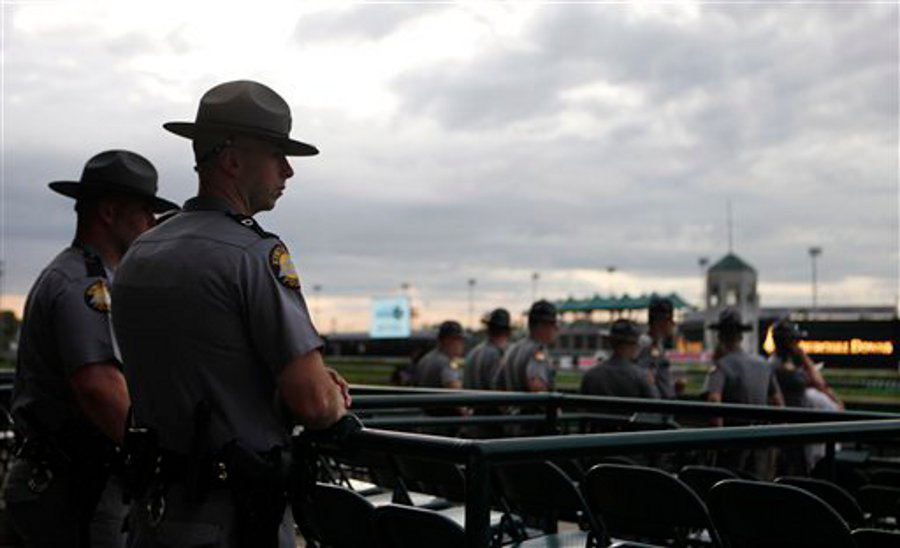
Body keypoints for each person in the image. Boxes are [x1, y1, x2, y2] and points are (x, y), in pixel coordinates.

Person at [111, 80, 350, 548]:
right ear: (233, 159)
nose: (288, 170)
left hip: (156, 509)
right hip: (233, 516)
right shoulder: (251, 253)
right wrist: (332, 397)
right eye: (277, 153)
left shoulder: (143, 249)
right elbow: (314, 402)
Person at [3, 150, 177, 547]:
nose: (152, 223)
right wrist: (160, 465)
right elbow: (98, 387)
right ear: (110, 212)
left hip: (65, 480)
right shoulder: (83, 285)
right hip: (74, 486)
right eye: (145, 211)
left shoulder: (83, 275)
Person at [703, 307, 784, 478]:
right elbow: (778, 403)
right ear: (741, 336)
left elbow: (713, 400)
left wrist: (718, 440)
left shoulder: (721, 365)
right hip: (761, 444)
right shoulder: (763, 364)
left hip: (732, 444)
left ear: (719, 337)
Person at [770, 318, 843, 474]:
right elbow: (819, 383)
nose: (798, 344)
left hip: (797, 425)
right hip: (796, 427)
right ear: (787, 342)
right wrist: (804, 358)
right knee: (801, 472)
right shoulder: (781, 367)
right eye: (794, 340)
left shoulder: (782, 363)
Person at [581, 319, 659, 399]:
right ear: (633, 345)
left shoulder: (590, 376)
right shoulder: (641, 376)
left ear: (611, 342)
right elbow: (655, 403)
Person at [492, 300, 559, 393]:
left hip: (511, 406)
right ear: (541, 325)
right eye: (552, 323)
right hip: (530, 407)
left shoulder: (513, 349)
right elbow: (537, 386)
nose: (556, 327)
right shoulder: (538, 350)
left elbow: (496, 383)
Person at [635, 296, 682, 398]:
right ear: (660, 321)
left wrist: (673, 388)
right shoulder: (646, 345)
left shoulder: (658, 344)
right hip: (656, 407)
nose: (673, 324)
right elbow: (646, 380)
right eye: (670, 320)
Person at [463, 308, 511, 390]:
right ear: (508, 332)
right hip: (489, 401)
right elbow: (497, 387)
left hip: (471, 400)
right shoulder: (497, 354)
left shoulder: (474, 351)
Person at [415, 320, 466, 390]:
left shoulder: (427, 357)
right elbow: (456, 388)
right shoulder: (443, 362)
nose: (462, 344)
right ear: (447, 340)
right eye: (459, 340)